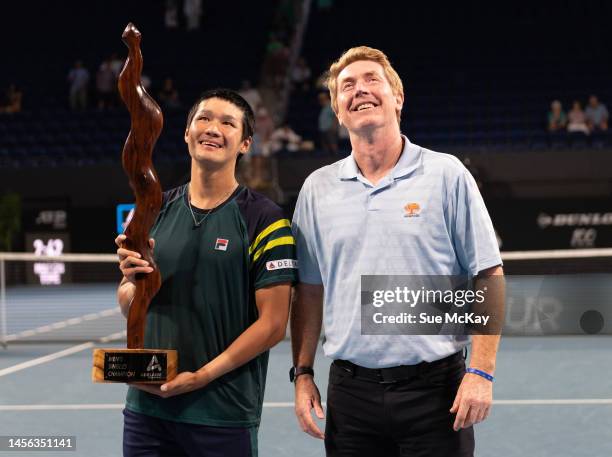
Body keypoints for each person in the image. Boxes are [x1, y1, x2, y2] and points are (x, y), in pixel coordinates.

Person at [290, 46, 504, 457]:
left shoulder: (446, 174)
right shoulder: (317, 189)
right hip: (350, 397)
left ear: (398, 97)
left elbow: (487, 274)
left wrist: (481, 371)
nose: (360, 90)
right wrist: (302, 373)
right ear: (337, 110)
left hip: (436, 394)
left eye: (372, 79)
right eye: (347, 86)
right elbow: (309, 290)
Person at [115, 89, 297, 457]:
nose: (213, 128)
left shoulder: (266, 219)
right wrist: (134, 283)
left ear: (245, 143)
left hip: (222, 413)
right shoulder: (150, 210)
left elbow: (274, 325)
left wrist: (201, 377)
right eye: (204, 119)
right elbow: (126, 301)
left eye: (228, 123)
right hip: (147, 410)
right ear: (186, 133)